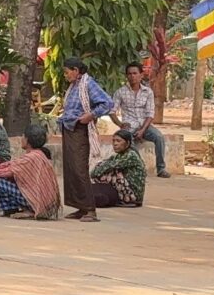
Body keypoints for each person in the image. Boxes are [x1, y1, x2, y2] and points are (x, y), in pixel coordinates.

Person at [0, 124, 62, 220]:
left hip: (39, 202)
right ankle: (13, 209)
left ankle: (29, 210)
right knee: (2, 177)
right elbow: (9, 165)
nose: (22, 138)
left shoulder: (31, 158)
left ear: (28, 140)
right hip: (45, 203)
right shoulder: (39, 154)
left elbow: (8, 171)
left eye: (23, 136)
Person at [58, 57, 114, 223]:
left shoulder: (88, 84)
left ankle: (90, 209)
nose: (65, 75)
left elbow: (107, 103)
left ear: (76, 71)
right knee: (70, 169)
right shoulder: (74, 85)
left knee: (79, 169)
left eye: (67, 72)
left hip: (79, 130)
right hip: (69, 128)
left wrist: (91, 115)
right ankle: (80, 207)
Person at [109, 62, 171, 178]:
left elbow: (150, 114)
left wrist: (142, 130)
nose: (132, 76)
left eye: (135, 73)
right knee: (127, 141)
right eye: (129, 74)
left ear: (141, 75)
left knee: (159, 137)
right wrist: (120, 124)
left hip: (145, 125)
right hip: (129, 126)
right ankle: (139, 167)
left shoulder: (148, 92)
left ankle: (161, 169)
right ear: (126, 76)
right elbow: (112, 111)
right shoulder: (120, 92)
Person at [90, 130, 147, 208]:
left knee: (111, 171)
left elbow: (100, 170)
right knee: (104, 168)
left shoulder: (131, 155)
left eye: (118, 141)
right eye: (113, 141)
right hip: (123, 189)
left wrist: (100, 168)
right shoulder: (117, 156)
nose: (115, 144)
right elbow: (96, 171)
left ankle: (129, 200)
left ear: (127, 143)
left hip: (133, 194)